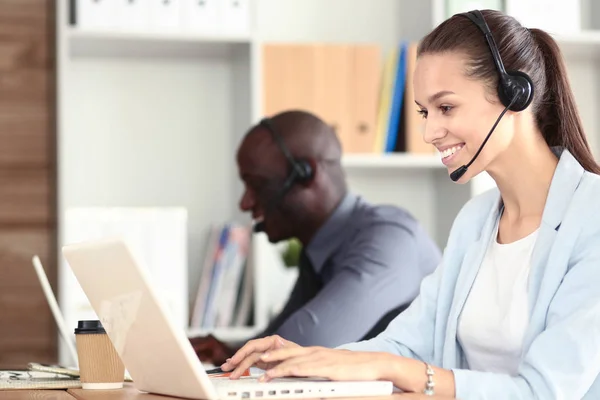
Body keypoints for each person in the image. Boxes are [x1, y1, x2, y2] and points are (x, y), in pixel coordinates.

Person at [218, 9, 600, 399]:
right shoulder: (477, 219)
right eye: (424, 111)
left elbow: (545, 391)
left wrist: (406, 372)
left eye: (446, 107)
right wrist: (306, 360)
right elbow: (404, 345)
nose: (429, 131)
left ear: (515, 94)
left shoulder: (592, 217)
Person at [190, 110, 441, 366]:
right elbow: (277, 341)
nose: (245, 203)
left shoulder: (390, 237)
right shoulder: (318, 252)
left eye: (259, 185)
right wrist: (228, 353)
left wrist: (244, 356)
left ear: (306, 173)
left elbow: (302, 346)